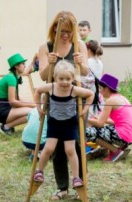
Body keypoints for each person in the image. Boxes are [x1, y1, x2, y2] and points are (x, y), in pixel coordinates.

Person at [38, 11, 89, 200]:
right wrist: (50, 64)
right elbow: (43, 76)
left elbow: (83, 74)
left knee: (75, 145)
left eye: (69, 31)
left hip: (75, 102)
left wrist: (81, 63)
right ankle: (62, 187)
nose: (66, 35)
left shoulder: (79, 46)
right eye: (62, 31)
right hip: (54, 102)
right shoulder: (46, 47)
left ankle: (80, 185)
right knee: (56, 147)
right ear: (55, 29)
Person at [33, 60, 94, 188]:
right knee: (49, 148)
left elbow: (90, 94)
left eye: (68, 78)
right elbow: (38, 91)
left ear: (72, 78)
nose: (65, 82)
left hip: (69, 124)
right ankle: (39, 171)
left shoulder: (73, 89)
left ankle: (76, 177)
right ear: (55, 77)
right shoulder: (51, 87)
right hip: (54, 123)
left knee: (70, 150)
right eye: (61, 78)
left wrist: (85, 109)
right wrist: (38, 108)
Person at [86, 74, 132, 162]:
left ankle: (116, 151)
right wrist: (99, 118)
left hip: (123, 136)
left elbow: (100, 124)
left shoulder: (110, 101)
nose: (99, 91)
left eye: (100, 88)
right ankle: (113, 149)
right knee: (105, 130)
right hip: (131, 135)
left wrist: (85, 119)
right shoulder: (121, 98)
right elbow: (116, 122)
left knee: (87, 132)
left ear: (106, 88)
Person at [0, 53, 36, 135]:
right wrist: (33, 105)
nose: (25, 66)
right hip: (2, 111)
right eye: (23, 64)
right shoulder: (11, 78)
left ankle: (7, 126)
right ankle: (5, 127)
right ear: (16, 66)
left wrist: (32, 104)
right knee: (32, 112)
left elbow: (17, 99)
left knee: (33, 110)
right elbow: (12, 101)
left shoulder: (12, 76)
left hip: (3, 109)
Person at [83, 40, 104, 118]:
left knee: (88, 115)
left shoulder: (87, 62)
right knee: (95, 114)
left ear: (88, 50)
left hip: (89, 91)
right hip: (97, 92)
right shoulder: (100, 62)